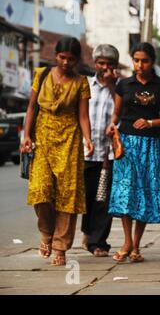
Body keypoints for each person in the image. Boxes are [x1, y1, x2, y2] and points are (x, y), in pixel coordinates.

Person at [21, 36, 94, 266]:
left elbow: (83, 116)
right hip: (42, 139)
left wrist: (88, 139)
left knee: (67, 196)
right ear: (56, 56)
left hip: (70, 140)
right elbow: (31, 107)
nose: (65, 63)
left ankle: (61, 247)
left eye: (70, 59)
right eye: (62, 58)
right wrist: (26, 135)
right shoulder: (41, 74)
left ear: (76, 60)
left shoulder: (81, 82)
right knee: (40, 190)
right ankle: (46, 233)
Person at [105, 42, 160, 263]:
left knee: (144, 192)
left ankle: (136, 245)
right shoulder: (124, 84)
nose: (139, 65)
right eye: (136, 60)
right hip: (125, 145)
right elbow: (116, 113)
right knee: (126, 191)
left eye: (144, 60)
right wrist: (111, 125)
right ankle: (127, 242)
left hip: (151, 144)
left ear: (152, 62)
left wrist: (150, 122)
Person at [81, 44, 119, 257]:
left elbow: (121, 111)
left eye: (110, 64)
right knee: (86, 198)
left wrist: (113, 86)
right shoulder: (86, 85)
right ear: (95, 64)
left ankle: (98, 242)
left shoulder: (120, 88)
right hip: (87, 150)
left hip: (109, 153)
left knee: (103, 199)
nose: (105, 68)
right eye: (101, 63)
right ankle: (88, 232)